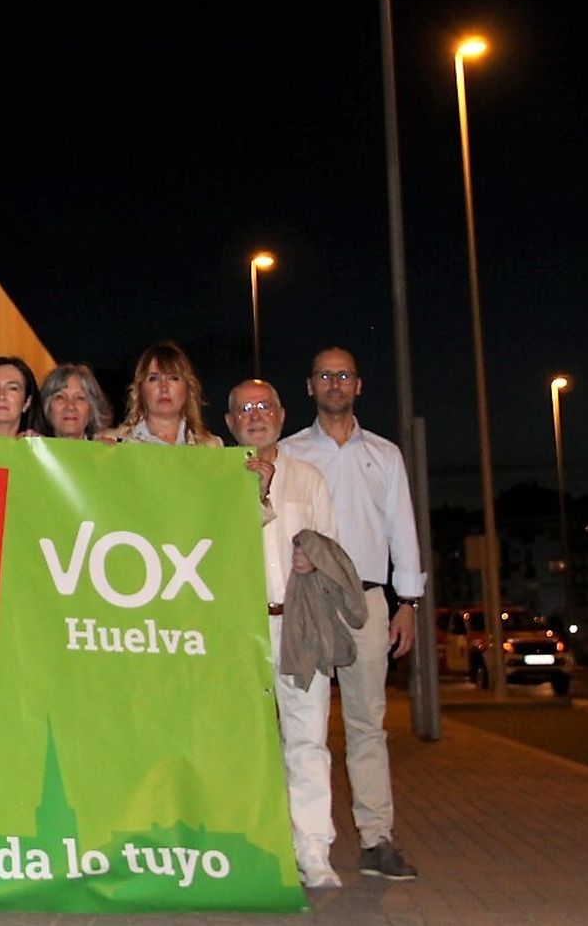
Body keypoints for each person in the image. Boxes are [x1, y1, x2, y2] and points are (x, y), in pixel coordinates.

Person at [280, 347, 424, 881]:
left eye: (344, 375)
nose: (335, 383)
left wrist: (407, 603)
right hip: (308, 600)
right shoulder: (289, 452)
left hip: (365, 600)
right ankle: (301, 842)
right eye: (325, 375)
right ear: (309, 386)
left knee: (367, 724)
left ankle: (376, 838)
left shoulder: (384, 455)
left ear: (358, 385)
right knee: (303, 726)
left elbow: (402, 529)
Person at [224, 378, 342, 890]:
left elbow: (333, 548)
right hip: (239, 630)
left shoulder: (309, 478)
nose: (255, 415)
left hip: (298, 623)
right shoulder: (214, 476)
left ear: (281, 414)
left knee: (308, 740)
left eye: (264, 406)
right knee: (243, 744)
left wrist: (315, 560)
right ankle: (252, 847)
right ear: (229, 423)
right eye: (244, 409)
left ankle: (312, 850)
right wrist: (253, 495)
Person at [102, 341, 222, 445]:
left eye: (173, 378)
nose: (164, 387)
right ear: (140, 390)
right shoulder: (117, 442)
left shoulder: (211, 447)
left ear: (188, 389)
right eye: (153, 379)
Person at [40, 363, 112, 439]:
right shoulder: (33, 445)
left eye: (79, 398)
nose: (70, 406)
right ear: (47, 407)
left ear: (92, 409)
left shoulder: (107, 446)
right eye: (60, 397)